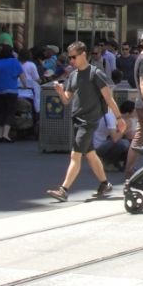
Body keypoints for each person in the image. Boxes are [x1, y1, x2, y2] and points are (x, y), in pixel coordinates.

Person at [46, 41, 122, 202]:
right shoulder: (73, 75)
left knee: (76, 154)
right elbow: (67, 100)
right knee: (90, 154)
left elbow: (109, 98)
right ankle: (104, 183)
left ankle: (63, 189)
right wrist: (60, 91)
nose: (71, 61)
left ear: (83, 55)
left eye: (73, 57)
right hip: (77, 119)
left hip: (89, 120)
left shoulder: (96, 74)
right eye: (69, 58)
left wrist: (119, 118)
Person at [0, 44, 22, 143]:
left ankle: (0, 134)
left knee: (1, 111)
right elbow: (21, 75)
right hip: (11, 89)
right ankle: (5, 134)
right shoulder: (14, 62)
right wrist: (25, 85)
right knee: (10, 111)